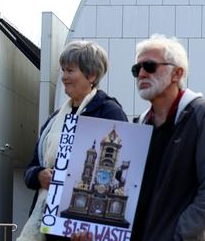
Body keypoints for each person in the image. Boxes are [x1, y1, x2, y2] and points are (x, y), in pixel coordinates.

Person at [18, 41, 128, 241]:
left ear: (91, 75)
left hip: (86, 227)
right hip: (48, 223)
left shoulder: (109, 112)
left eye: (70, 70)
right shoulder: (55, 119)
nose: (64, 77)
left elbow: (118, 172)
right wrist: (38, 175)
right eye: (62, 70)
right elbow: (31, 167)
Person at [130, 34, 205, 241]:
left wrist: (177, 234)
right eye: (136, 68)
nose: (141, 73)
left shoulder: (203, 113)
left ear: (177, 73)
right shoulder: (140, 124)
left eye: (149, 66)